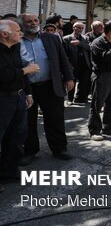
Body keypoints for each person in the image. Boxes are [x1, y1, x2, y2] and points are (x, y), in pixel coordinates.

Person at [19, 13, 74, 162]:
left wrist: (69, 77)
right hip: (27, 87)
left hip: (50, 85)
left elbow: (63, 58)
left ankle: (59, 148)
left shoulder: (51, 38)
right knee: (28, 120)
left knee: (55, 118)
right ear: (22, 23)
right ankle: (30, 150)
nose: (33, 23)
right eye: (28, 21)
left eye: (35, 20)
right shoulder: (17, 40)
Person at [0, 20, 36, 184]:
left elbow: (22, 76)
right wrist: (26, 70)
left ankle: (10, 171)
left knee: (16, 137)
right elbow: (3, 75)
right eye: (17, 31)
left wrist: (27, 93)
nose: (21, 33)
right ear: (4, 33)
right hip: (3, 99)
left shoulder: (15, 49)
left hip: (18, 97)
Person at [89, 21, 111, 140]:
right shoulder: (98, 42)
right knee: (97, 105)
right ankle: (94, 131)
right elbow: (104, 58)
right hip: (102, 76)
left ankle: (109, 127)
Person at [62, 21, 91, 105]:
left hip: (84, 63)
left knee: (84, 82)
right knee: (72, 81)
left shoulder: (85, 38)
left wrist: (80, 43)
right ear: (73, 28)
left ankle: (80, 98)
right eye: (78, 27)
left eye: (82, 28)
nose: (80, 29)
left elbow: (90, 47)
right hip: (73, 64)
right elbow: (64, 53)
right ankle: (69, 99)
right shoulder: (66, 38)